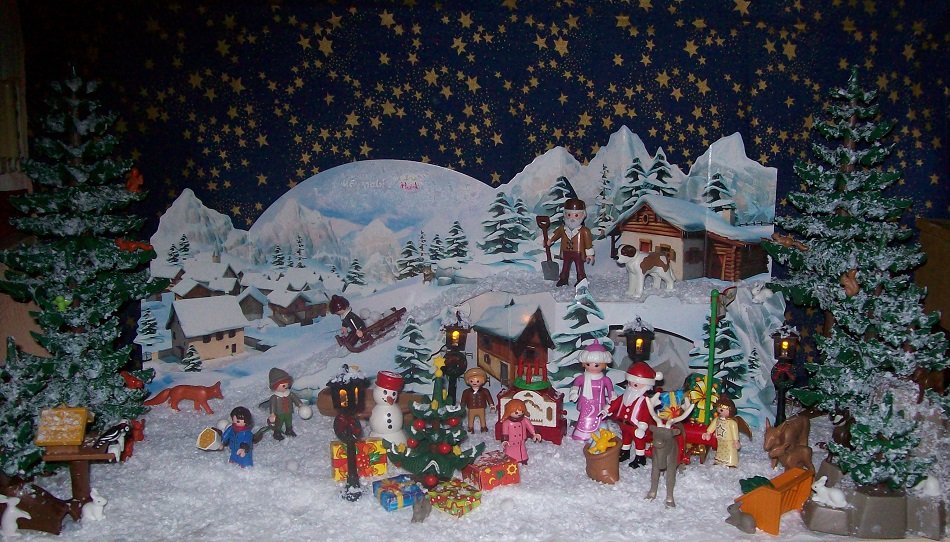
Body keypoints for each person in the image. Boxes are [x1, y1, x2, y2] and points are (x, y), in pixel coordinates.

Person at [602, 361, 662, 469]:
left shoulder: (644, 400)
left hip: (636, 425)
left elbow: (645, 414)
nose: (631, 387)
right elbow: (616, 404)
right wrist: (607, 409)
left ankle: (640, 457)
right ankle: (625, 452)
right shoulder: (625, 395)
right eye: (629, 383)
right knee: (626, 438)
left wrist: (642, 426)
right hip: (624, 424)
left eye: (635, 385)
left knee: (639, 441)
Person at [569, 340, 614, 441]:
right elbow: (575, 386)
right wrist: (573, 393)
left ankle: (600, 434)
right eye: (588, 364)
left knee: (600, 418)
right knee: (584, 418)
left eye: (596, 365)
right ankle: (582, 433)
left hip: (599, 404)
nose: (592, 367)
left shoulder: (605, 380)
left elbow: (611, 392)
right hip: (586, 403)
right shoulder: (582, 378)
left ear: (604, 364)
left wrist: (612, 400)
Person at [546, 198, 594, 287]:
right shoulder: (563, 229)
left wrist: (589, 254)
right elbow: (555, 234)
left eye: (576, 215)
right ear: (565, 215)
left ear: (583, 215)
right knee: (565, 266)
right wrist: (550, 239)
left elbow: (588, 244)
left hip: (578, 252)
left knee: (579, 267)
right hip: (566, 251)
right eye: (569, 214)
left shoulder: (584, 231)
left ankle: (581, 280)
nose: (572, 218)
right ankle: (563, 279)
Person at [702, 396, 750, 468]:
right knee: (720, 450)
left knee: (730, 450)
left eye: (723, 409)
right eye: (719, 408)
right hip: (720, 439)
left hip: (729, 441)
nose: (720, 410)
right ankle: (719, 460)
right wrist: (708, 433)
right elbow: (712, 426)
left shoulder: (732, 422)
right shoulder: (717, 419)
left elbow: (734, 432)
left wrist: (736, 441)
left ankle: (731, 462)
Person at [265, 367, 303, 441]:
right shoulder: (274, 397)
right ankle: (277, 432)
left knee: (289, 421)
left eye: (287, 384)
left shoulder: (289, 394)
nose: (285, 387)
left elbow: (295, 399)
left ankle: (289, 430)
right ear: (275, 386)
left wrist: (300, 405)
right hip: (279, 414)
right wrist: (272, 414)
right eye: (283, 385)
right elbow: (272, 406)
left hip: (288, 412)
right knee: (279, 423)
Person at [500, 399, 542, 465]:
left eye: (522, 411)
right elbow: (505, 432)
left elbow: (531, 427)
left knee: (522, 452)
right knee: (509, 454)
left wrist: (535, 433)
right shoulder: (506, 423)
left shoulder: (524, 420)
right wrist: (504, 440)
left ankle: (523, 460)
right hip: (511, 443)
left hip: (521, 442)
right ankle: (509, 460)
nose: (519, 414)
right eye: (516, 412)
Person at [459, 367, 495, 433]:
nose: (474, 383)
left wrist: (491, 405)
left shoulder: (485, 391)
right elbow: (463, 400)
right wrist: (462, 406)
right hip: (471, 408)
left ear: (483, 381)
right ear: (468, 381)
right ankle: (470, 428)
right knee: (470, 418)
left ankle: (483, 427)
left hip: (481, 408)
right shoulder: (466, 392)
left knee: (482, 418)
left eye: (477, 381)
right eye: (471, 381)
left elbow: (489, 398)